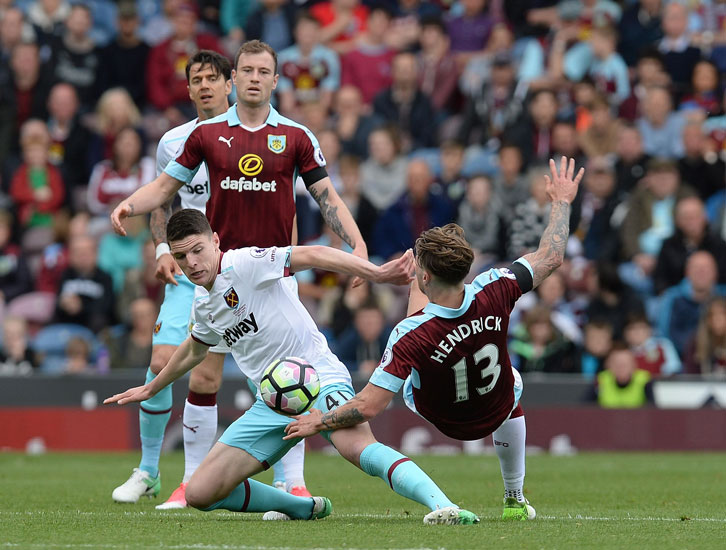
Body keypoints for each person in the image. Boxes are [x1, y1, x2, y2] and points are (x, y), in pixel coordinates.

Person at [111, 42, 368, 508]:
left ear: (270, 79)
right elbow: (165, 192)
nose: (249, 78)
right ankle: (182, 479)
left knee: (288, 380)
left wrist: (359, 245)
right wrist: (140, 213)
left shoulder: (294, 135)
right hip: (216, 274)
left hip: (268, 273)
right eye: (244, 70)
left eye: (260, 71)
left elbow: (324, 197)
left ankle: (296, 485)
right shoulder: (198, 137)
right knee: (203, 374)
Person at [105, 209, 480, 526]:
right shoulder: (203, 305)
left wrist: (376, 275)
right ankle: (301, 506)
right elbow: (193, 350)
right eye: (182, 256)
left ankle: (444, 506)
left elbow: (314, 254)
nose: (192, 263)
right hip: (272, 401)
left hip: (317, 377)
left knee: (359, 448)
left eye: (198, 250)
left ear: (216, 241)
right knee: (201, 493)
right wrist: (152, 387)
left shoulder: (245, 263)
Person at [286, 156, 586, 521]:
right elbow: (552, 255)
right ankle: (514, 497)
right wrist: (562, 201)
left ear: (424, 278)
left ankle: (509, 496)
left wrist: (320, 421)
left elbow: (368, 406)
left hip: (443, 415)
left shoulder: (409, 333)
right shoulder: (496, 286)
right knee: (513, 381)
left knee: (418, 336)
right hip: (495, 404)